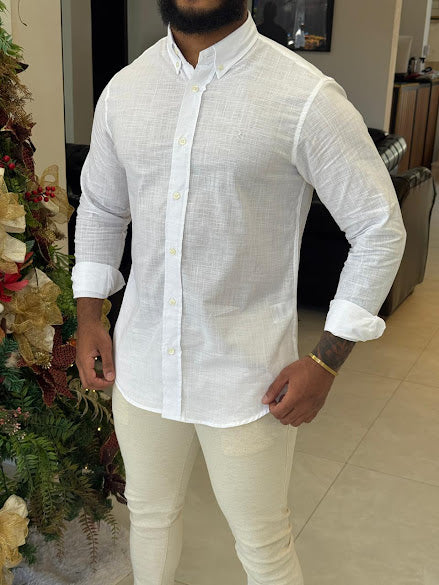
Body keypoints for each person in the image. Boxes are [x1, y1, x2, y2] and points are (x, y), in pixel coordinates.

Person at [71, 0, 406, 582]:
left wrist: (326, 360)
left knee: (263, 544)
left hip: (249, 381)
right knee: (149, 517)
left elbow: (378, 227)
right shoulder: (125, 92)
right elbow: (101, 208)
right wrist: (89, 318)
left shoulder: (305, 97)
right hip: (142, 365)